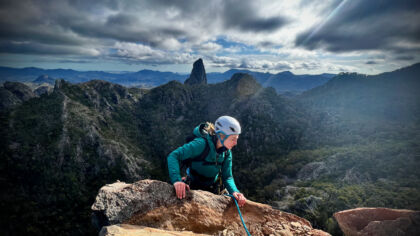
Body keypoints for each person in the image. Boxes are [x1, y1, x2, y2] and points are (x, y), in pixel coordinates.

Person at [167, 116, 246, 207]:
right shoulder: (201, 144)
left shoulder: (226, 152)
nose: (236, 143)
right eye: (233, 139)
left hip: (213, 187)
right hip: (193, 185)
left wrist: (234, 191)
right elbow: (174, 156)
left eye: (237, 138)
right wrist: (177, 180)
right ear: (221, 136)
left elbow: (227, 176)